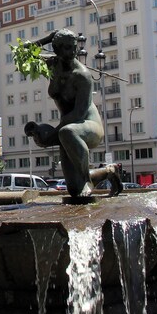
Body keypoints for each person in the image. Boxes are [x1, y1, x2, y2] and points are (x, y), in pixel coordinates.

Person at [22, 29, 105, 198]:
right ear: (56, 49)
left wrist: (51, 136)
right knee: (74, 190)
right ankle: (108, 172)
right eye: (66, 48)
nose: (72, 52)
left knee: (67, 132)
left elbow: (78, 114)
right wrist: (49, 38)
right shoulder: (53, 65)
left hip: (87, 125)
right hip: (66, 129)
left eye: (73, 47)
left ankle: (87, 178)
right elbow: (24, 52)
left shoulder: (82, 76)